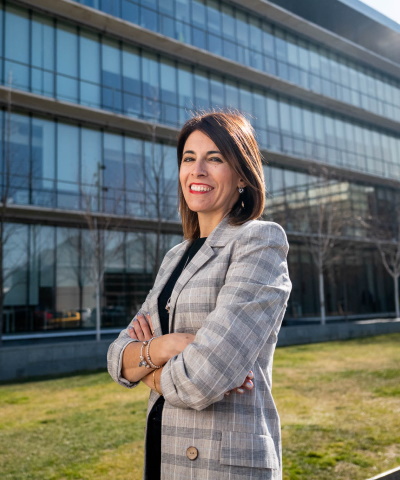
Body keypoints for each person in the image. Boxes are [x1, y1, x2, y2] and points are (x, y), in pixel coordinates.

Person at [107, 111, 292, 480]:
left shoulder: (259, 241)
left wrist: (148, 370)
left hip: (220, 466)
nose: (198, 170)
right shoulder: (176, 256)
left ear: (242, 174)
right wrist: (166, 347)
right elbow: (116, 357)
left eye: (215, 158)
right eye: (189, 158)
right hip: (165, 457)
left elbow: (200, 380)